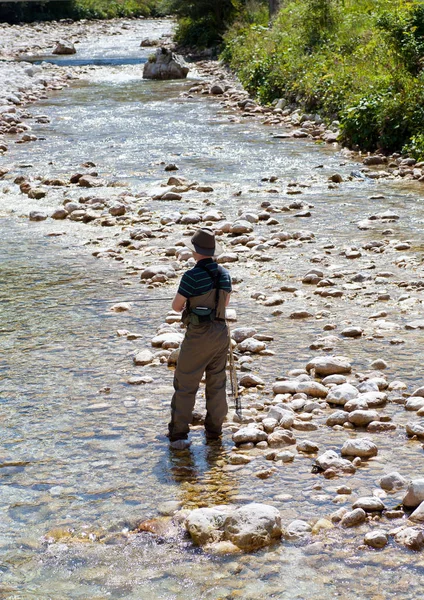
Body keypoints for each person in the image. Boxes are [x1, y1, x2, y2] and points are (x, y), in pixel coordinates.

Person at [168, 227, 232, 450]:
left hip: (198, 335)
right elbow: (224, 304)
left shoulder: (191, 276)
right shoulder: (224, 274)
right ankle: (214, 433)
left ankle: (179, 435)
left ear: (195, 252)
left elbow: (176, 307)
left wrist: (191, 304)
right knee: (217, 384)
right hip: (221, 334)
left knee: (185, 384)